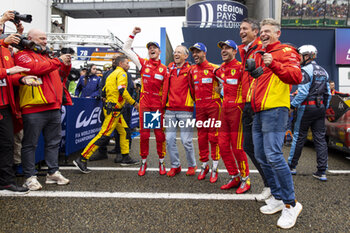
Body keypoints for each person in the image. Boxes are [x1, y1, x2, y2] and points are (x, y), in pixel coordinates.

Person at [249, 18, 302, 229]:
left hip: (276, 110)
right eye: (261, 31)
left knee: (273, 154)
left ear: (277, 33)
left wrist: (275, 63)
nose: (263, 34)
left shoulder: (286, 50)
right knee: (261, 155)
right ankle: (279, 197)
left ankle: (291, 204)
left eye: (267, 31)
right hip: (259, 111)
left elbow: (296, 76)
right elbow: (262, 80)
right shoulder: (260, 55)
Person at [14, 29, 71, 191]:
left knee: (53, 142)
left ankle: (52, 173)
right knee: (30, 144)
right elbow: (35, 69)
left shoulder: (48, 56)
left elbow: (61, 75)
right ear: (30, 39)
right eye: (42, 38)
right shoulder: (22, 55)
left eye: (46, 39)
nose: (45, 41)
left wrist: (66, 64)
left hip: (53, 106)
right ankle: (29, 176)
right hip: (33, 107)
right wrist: (58, 61)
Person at [73, 55, 139, 173]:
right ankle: (82, 158)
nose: (128, 65)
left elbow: (103, 91)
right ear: (121, 64)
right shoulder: (122, 74)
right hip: (114, 110)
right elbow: (122, 90)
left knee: (124, 131)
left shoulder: (110, 74)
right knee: (104, 135)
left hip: (111, 108)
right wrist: (134, 103)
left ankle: (125, 157)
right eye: (127, 63)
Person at [0, 11, 40, 194]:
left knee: (7, 144)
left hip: (5, 106)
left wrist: (22, 79)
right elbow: (7, 73)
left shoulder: (5, 51)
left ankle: (6, 181)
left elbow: (11, 76)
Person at [122, 27, 167, 176]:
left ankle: (161, 162)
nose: (151, 49)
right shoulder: (143, 64)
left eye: (154, 48)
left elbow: (167, 90)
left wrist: (165, 108)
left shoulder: (164, 69)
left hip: (157, 106)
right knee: (145, 135)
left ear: (159, 51)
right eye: (149, 48)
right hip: (146, 104)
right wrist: (133, 34)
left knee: (160, 135)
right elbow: (126, 49)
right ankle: (143, 162)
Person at [238, 18, 271, 200]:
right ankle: (270, 185)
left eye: (245, 28)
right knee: (250, 147)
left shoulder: (261, 48)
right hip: (248, 104)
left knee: (264, 150)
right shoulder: (246, 50)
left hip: (259, 105)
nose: (241, 31)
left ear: (255, 31)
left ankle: (275, 189)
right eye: (240, 29)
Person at [288, 45, 331, 181]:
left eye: (300, 56)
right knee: (320, 139)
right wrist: (324, 107)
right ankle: (322, 171)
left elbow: (303, 92)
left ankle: (291, 166)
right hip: (320, 108)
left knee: (299, 137)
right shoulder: (324, 71)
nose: (298, 59)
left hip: (306, 108)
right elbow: (328, 94)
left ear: (307, 56)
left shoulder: (305, 71)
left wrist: (292, 105)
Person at [215, 40, 251, 194]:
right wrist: (219, 90)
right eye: (222, 48)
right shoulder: (219, 70)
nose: (224, 50)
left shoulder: (241, 68)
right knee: (222, 146)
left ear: (235, 51)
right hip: (224, 110)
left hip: (238, 110)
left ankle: (245, 178)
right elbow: (220, 86)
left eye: (227, 48)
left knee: (237, 148)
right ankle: (234, 176)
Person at [162, 45, 197, 177]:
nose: (176, 54)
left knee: (186, 140)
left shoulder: (191, 69)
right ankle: (175, 165)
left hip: (185, 110)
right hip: (170, 110)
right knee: (169, 139)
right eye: (175, 52)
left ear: (185, 56)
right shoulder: (169, 68)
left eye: (179, 52)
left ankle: (192, 165)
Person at [189, 42, 221, 183]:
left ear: (204, 53)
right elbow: (191, 89)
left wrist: (221, 92)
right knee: (201, 137)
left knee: (213, 137)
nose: (195, 54)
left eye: (198, 52)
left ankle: (215, 167)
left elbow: (226, 84)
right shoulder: (192, 70)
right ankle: (204, 165)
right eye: (193, 52)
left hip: (214, 106)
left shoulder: (215, 68)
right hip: (200, 106)